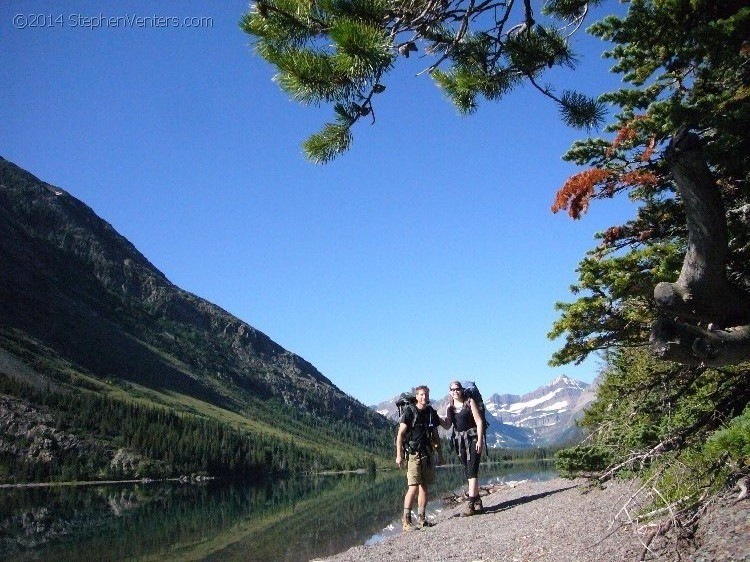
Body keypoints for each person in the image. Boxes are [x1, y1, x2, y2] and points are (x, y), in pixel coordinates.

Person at [395, 385, 443, 531]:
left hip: (427, 453)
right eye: (421, 395)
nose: (424, 397)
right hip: (413, 454)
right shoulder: (410, 411)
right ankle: (406, 521)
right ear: (416, 396)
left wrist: (440, 454)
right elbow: (400, 435)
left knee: (424, 487)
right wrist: (399, 455)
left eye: (426, 395)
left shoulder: (430, 412)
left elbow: (435, 435)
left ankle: (422, 518)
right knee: (413, 487)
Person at [441, 380, 485, 516]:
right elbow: (448, 425)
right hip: (459, 442)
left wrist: (480, 440)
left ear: (461, 389)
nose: (455, 392)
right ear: (450, 392)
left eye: (457, 389)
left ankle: (470, 503)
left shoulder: (469, 402)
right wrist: (437, 418)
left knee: (472, 470)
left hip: (472, 439)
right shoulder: (450, 407)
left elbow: (479, 421)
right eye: (452, 390)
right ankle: (478, 501)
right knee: (468, 471)